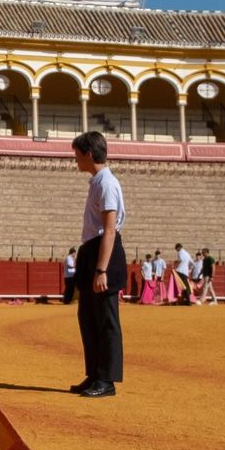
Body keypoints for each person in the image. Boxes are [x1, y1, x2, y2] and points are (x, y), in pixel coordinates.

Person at [68, 132, 125, 399]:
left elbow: (109, 230)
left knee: (105, 319)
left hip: (104, 251)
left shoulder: (106, 184)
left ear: (89, 154)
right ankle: (95, 374)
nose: (75, 159)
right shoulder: (97, 182)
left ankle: (107, 380)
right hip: (93, 250)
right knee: (89, 318)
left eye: (77, 154)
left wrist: (101, 269)